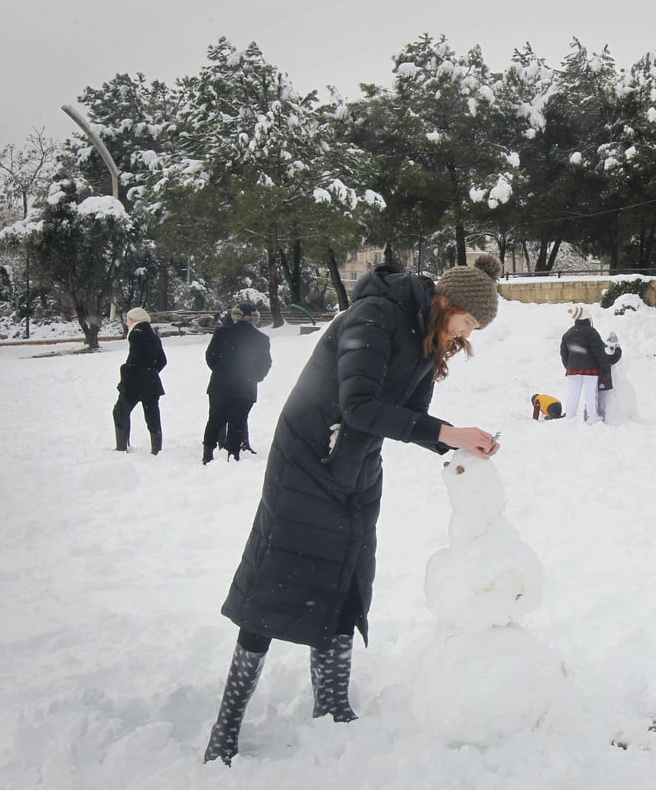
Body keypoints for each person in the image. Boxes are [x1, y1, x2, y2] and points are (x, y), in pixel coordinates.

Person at [203, 255, 503, 766]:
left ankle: (333, 706)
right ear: (448, 303)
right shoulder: (375, 314)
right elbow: (359, 406)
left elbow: (410, 417)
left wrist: (454, 445)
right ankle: (226, 725)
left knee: (348, 576)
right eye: (468, 323)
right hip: (306, 457)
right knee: (275, 583)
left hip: (356, 463)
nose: (466, 335)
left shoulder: (427, 338)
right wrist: (447, 434)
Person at [202, 302, 273, 464]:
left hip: (220, 385)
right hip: (245, 387)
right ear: (255, 317)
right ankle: (233, 454)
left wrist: (220, 370)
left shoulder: (221, 333)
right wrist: (254, 377)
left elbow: (210, 356)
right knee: (238, 421)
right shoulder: (261, 339)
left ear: (235, 315)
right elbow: (265, 364)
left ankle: (207, 454)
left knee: (214, 420)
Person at [113, 307, 167, 454]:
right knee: (152, 415)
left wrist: (125, 370)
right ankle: (156, 449)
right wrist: (150, 371)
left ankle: (122, 447)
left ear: (134, 320)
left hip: (135, 384)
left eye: (128, 319)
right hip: (151, 383)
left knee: (120, 411)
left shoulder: (136, 335)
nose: (126, 322)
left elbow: (134, 359)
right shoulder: (154, 336)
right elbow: (162, 360)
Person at [559, 306, 609, 422]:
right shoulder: (592, 332)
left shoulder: (568, 333)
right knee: (590, 395)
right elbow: (599, 352)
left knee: (573, 395)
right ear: (587, 318)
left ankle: (569, 418)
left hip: (573, 370)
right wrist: (604, 367)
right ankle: (592, 418)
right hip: (590, 370)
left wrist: (570, 367)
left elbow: (563, 353)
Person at [596, 332, 623, 422]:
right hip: (603, 383)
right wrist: (618, 347)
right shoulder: (604, 357)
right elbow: (616, 357)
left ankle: (592, 417)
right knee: (602, 402)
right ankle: (601, 419)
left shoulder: (592, 357)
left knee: (593, 401)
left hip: (592, 382)